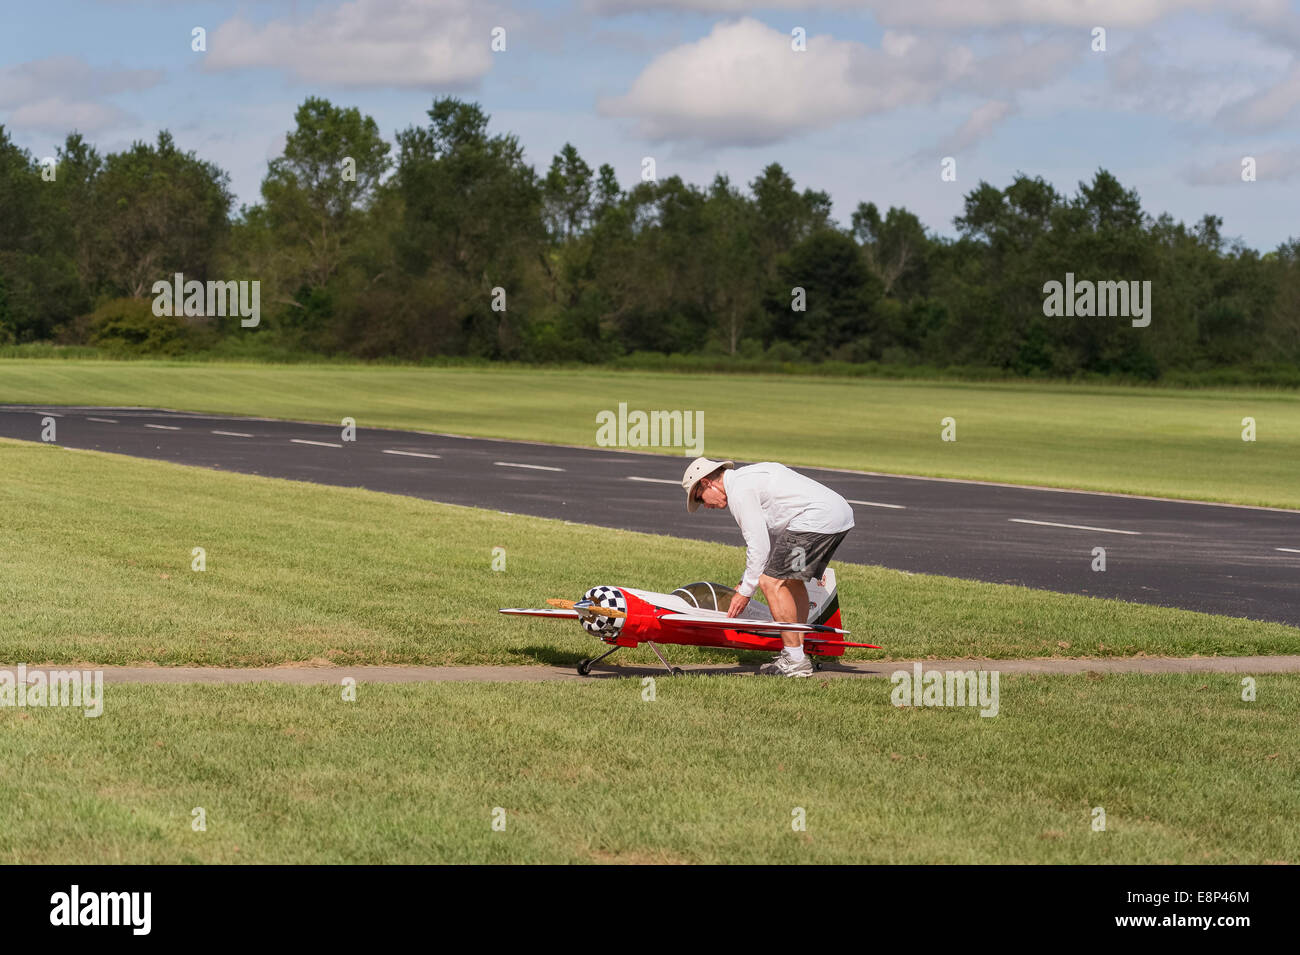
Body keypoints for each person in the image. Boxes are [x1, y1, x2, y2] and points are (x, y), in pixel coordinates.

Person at [681, 457, 854, 677]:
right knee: (790, 581)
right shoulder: (746, 479)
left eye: (700, 498)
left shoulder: (740, 492)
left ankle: (795, 659)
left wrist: (746, 591)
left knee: (770, 582)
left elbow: (759, 547)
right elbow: (771, 543)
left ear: (707, 483)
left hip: (816, 519)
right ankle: (797, 653)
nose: (706, 505)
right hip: (836, 515)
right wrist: (746, 580)